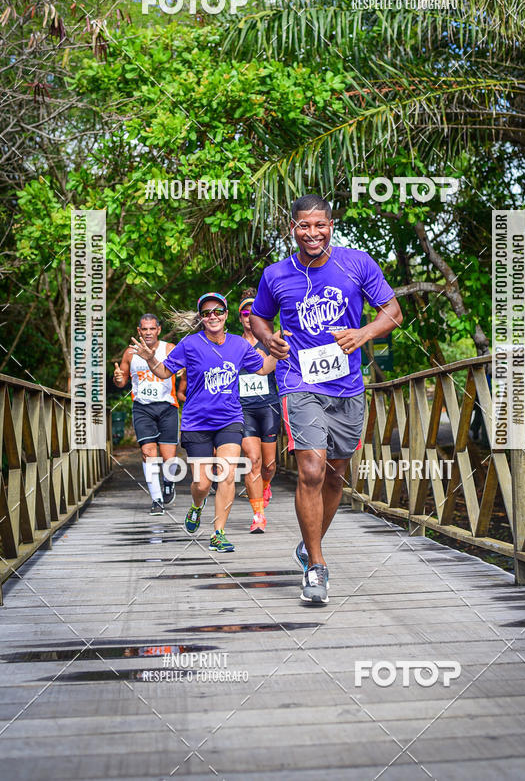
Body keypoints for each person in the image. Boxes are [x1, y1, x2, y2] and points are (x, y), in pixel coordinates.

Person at [250, 195, 402, 604]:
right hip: (298, 380)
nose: (311, 233)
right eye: (303, 226)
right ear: (293, 229)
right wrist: (268, 339)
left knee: (335, 474)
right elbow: (258, 316)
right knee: (312, 470)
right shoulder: (276, 274)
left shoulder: (357, 263)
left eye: (319, 225)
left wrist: (364, 334)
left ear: (331, 225)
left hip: (348, 384)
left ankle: (308, 541)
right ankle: (316, 567)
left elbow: (393, 311)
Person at [130, 293, 278, 553]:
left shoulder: (239, 346)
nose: (213, 316)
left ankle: (218, 533)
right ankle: (197, 507)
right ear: (201, 317)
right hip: (197, 422)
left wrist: (277, 351)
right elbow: (165, 372)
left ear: (225, 314)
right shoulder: (189, 344)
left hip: (230, 420)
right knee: (202, 483)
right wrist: (150, 358)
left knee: (228, 474)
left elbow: (264, 368)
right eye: (207, 312)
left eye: (218, 311)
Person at [113, 313, 180, 514]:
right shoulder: (130, 353)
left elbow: (184, 371)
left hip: (168, 407)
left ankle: (168, 482)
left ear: (158, 330)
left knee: (169, 459)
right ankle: (157, 500)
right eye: (145, 329)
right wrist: (117, 378)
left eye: (152, 328)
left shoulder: (169, 349)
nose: (148, 332)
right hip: (142, 407)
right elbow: (121, 382)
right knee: (148, 453)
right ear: (139, 331)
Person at [238, 288, 281, 533]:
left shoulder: (270, 341)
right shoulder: (232, 343)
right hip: (243, 409)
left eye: (253, 312)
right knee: (252, 460)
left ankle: (266, 485)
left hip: (268, 407)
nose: (248, 316)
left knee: (269, 466)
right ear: (240, 317)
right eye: (244, 312)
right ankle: (258, 515)